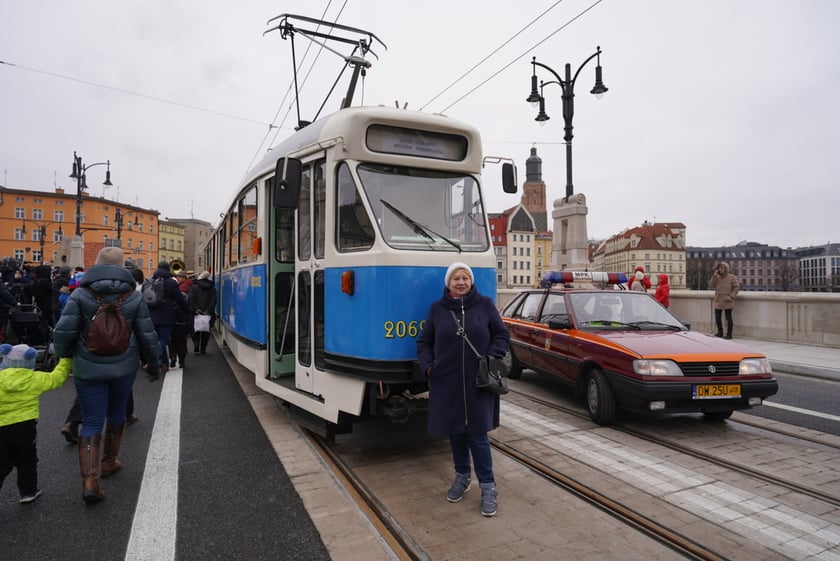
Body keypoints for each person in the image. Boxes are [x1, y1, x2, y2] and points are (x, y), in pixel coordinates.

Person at [53, 247, 162, 504]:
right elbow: (147, 333)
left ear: (97, 265)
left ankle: (90, 481)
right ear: (122, 265)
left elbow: (63, 331)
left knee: (91, 420)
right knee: (116, 414)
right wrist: (153, 361)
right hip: (124, 366)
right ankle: (109, 462)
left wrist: (65, 356)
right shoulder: (133, 296)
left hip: (88, 366)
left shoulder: (80, 294)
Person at [416, 262, 510, 517]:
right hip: (446, 383)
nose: (461, 282)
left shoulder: (485, 305)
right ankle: (462, 477)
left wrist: (492, 357)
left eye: (465, 278)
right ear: (448, 283)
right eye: (456, 278)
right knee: (455, 433)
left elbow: (501, 335)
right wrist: (429, 367)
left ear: (471, 282)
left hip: (478, 383)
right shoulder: (437, 310)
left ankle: (488, 488)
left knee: (478, 436)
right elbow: (424, 342)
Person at [0, 343, 72, 504]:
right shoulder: (34, 378)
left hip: (2, 427)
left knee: (3, 461)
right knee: (27, 460)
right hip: (26, 426)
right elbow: (56, 378)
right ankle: (28, 492)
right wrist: (66, 360)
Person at [148, 261, 190, 371]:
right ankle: (154, 359)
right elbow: (179, 299)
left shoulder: (149, 281)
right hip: (166, 317)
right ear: (168, 270)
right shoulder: (171, 283)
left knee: (156, 339)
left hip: (151, 316)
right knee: (164, 340)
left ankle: (164, 363)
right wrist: (187, 310)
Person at [188, 271, 217, 354]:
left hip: (196, 313)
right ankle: (203, 348)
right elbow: (213, 300)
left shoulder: (194, 287)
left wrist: (196, 309)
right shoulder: (212, 288)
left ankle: (196, 344)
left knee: (196, 329)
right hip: (208, 313)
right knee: (205, 330)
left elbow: (191, 299)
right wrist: (208, 310)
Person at [710, 262, 740, 339]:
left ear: (726, 269)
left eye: (722, 268)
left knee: (728, 317)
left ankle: (729, 334)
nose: (720, 269)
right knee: (717, 317)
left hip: (727, 300)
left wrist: (731, 296)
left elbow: (736, 287)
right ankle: (720, 332)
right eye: (719, 268)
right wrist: (714, 275)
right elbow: (711, 285)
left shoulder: (732, 277)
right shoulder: (717, 277)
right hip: (718, 299)